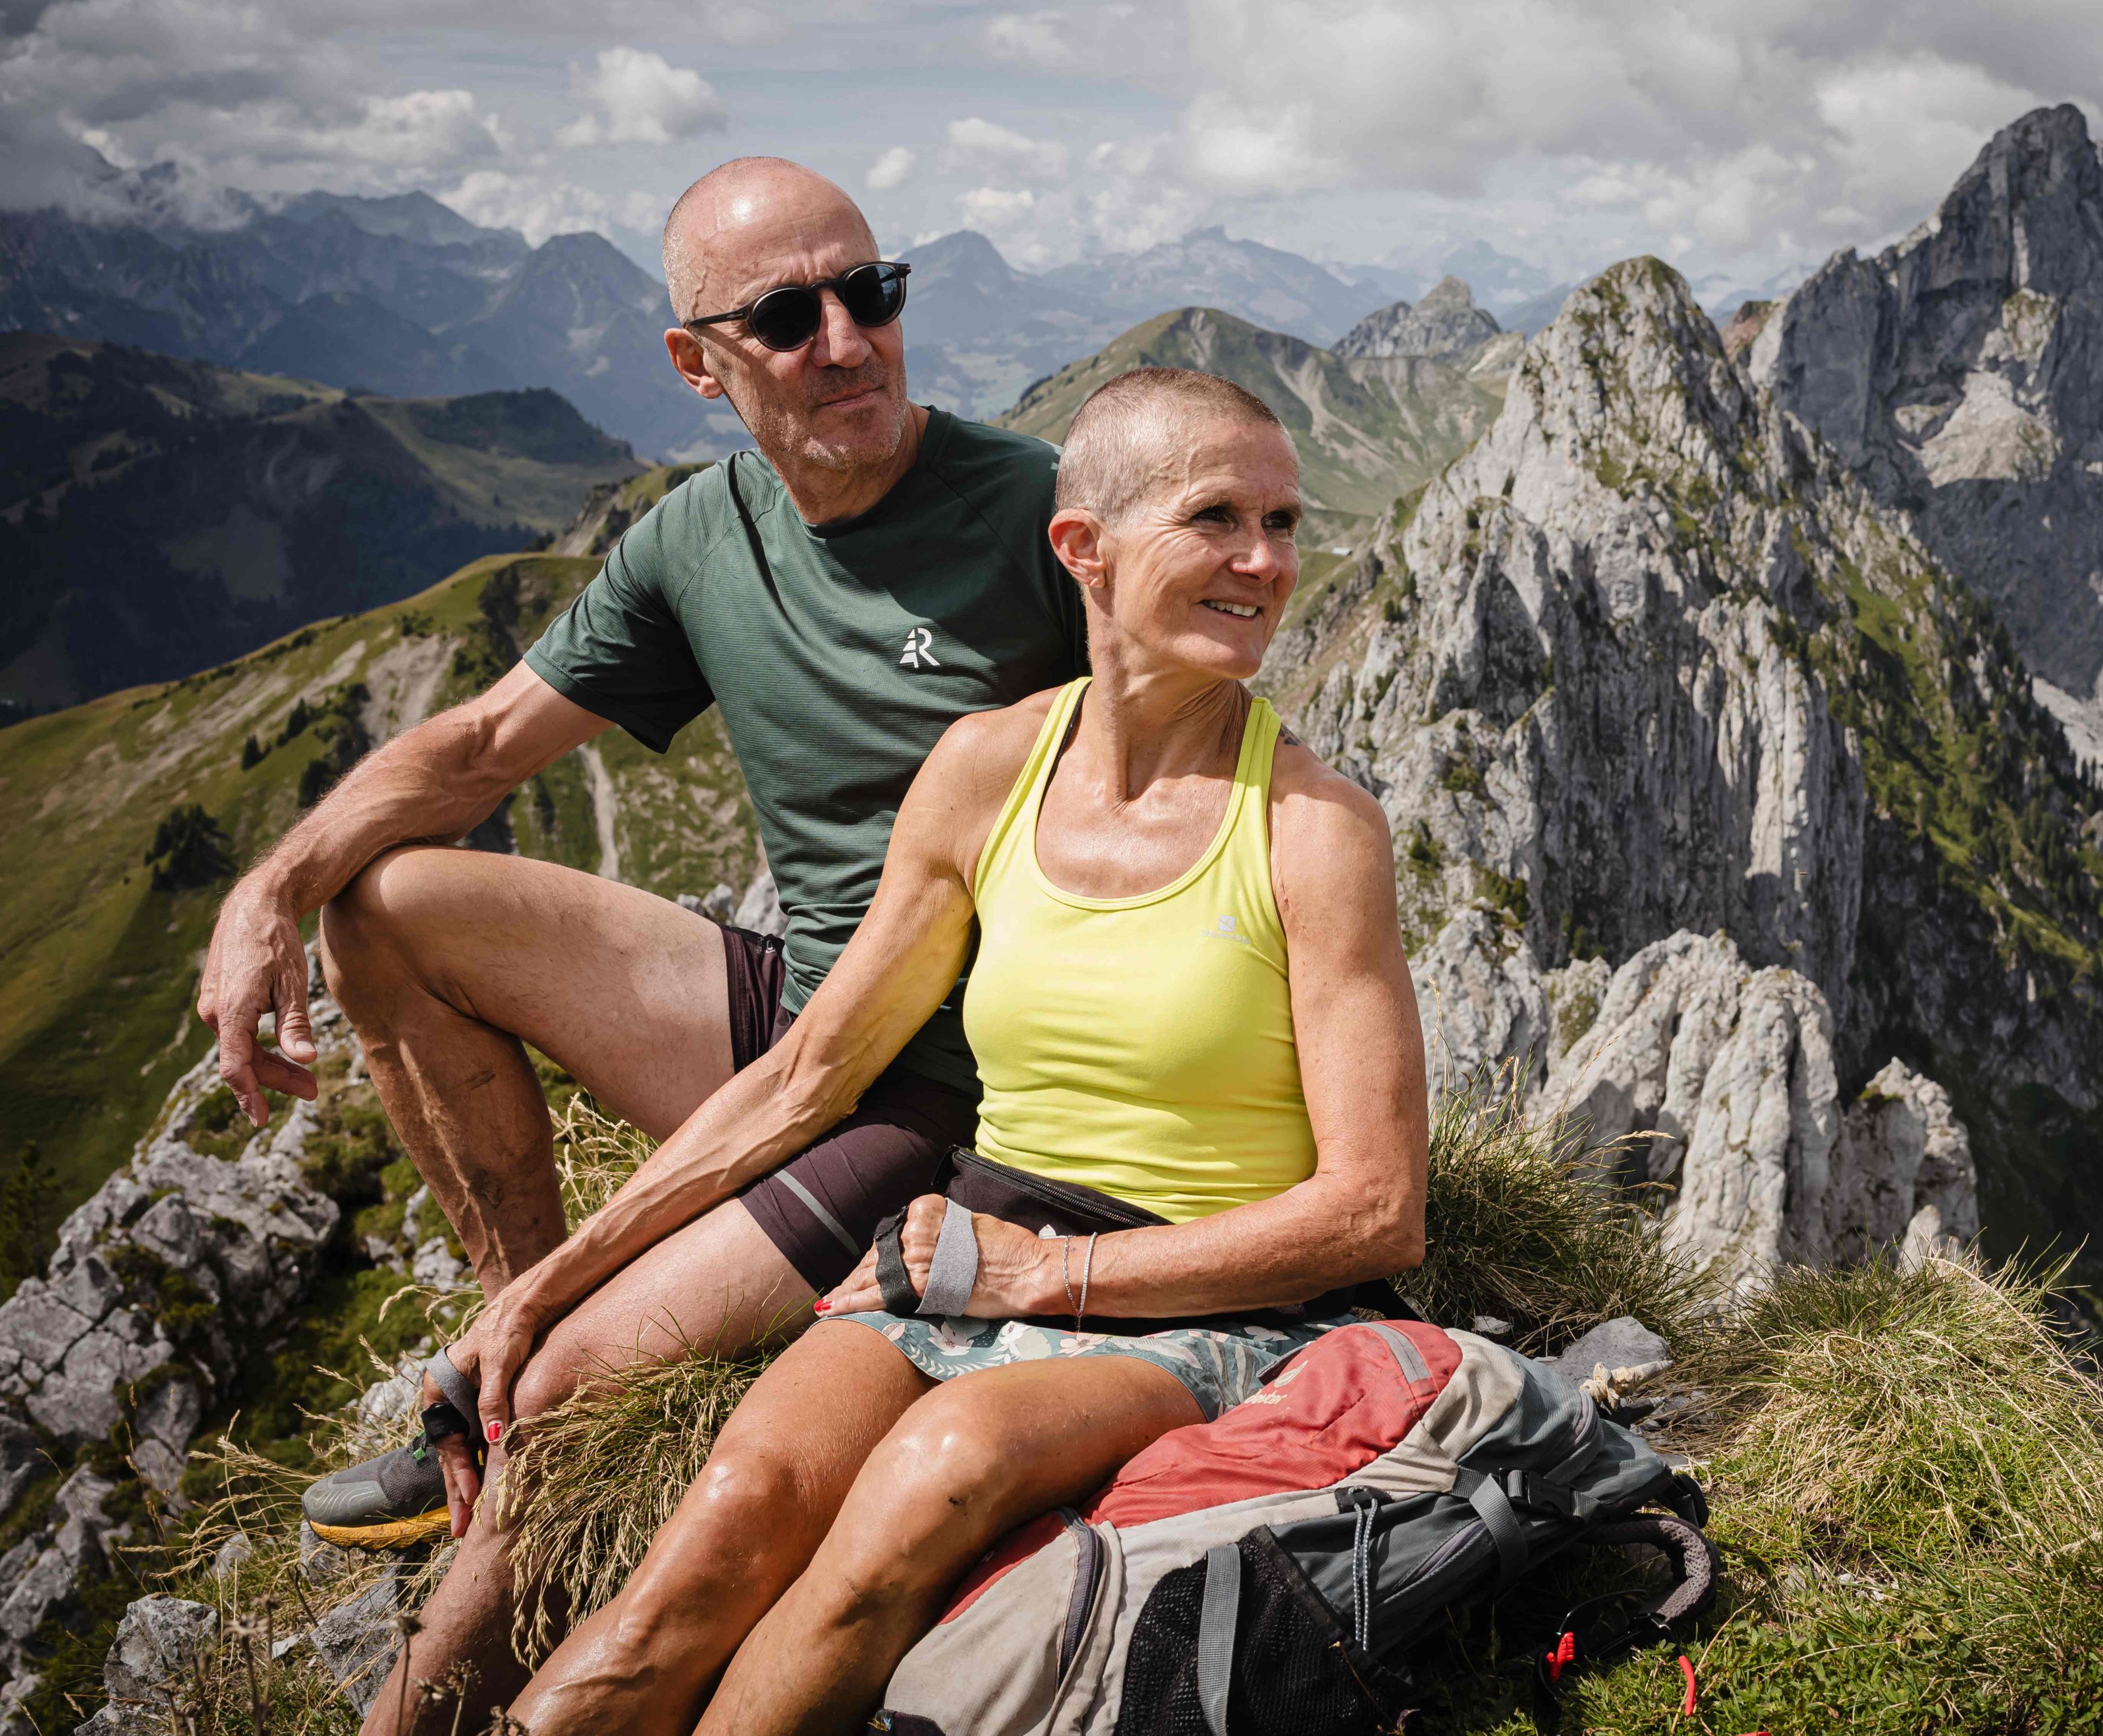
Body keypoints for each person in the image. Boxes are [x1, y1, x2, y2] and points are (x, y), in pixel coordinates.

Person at [190, 155, 1089, 1720]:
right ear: (697, 363)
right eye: (787, 313)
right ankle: (515, 1322)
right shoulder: (697, 542)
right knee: (387, 905)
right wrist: (273, 887)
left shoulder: (1034, 511)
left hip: (940, 1089)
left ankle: (465, 1593)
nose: (847, 339)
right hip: (792, 1011)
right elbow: (475, 750)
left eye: (870, 292)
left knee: (572, 1381)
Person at [484, 366, 1429, 1735]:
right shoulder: (986, 769)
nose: (1264, 562)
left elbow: (1374, 1212)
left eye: (1284, 523)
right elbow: (812, 1073)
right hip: (972, 1253)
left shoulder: (1314, 832)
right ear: (1082, 550)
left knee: (925, 1480)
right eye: (1216, 516)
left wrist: (1057, 1275)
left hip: (1212, 1299)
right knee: (728, 1520)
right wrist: (551, 1289)